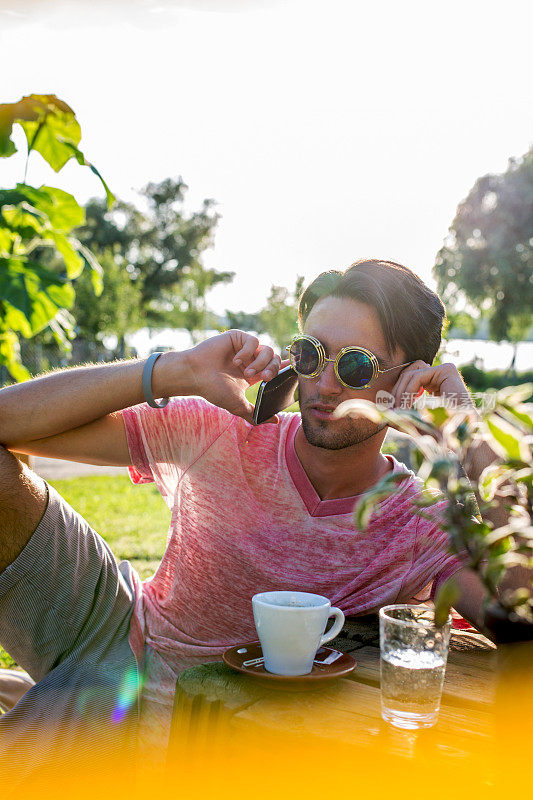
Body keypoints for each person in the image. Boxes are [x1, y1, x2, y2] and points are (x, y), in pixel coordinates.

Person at [0, 259, 521, 774]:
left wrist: (465, 431)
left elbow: (522, 616)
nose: (326, 384)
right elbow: (8, 423)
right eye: (311, 354)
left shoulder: (421, 523)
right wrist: (177, 369)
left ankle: (52, 701)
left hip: (232, 724)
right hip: (119, 632)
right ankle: (66, 695)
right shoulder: (223, 427)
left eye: (356, 365)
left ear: (408, 382)